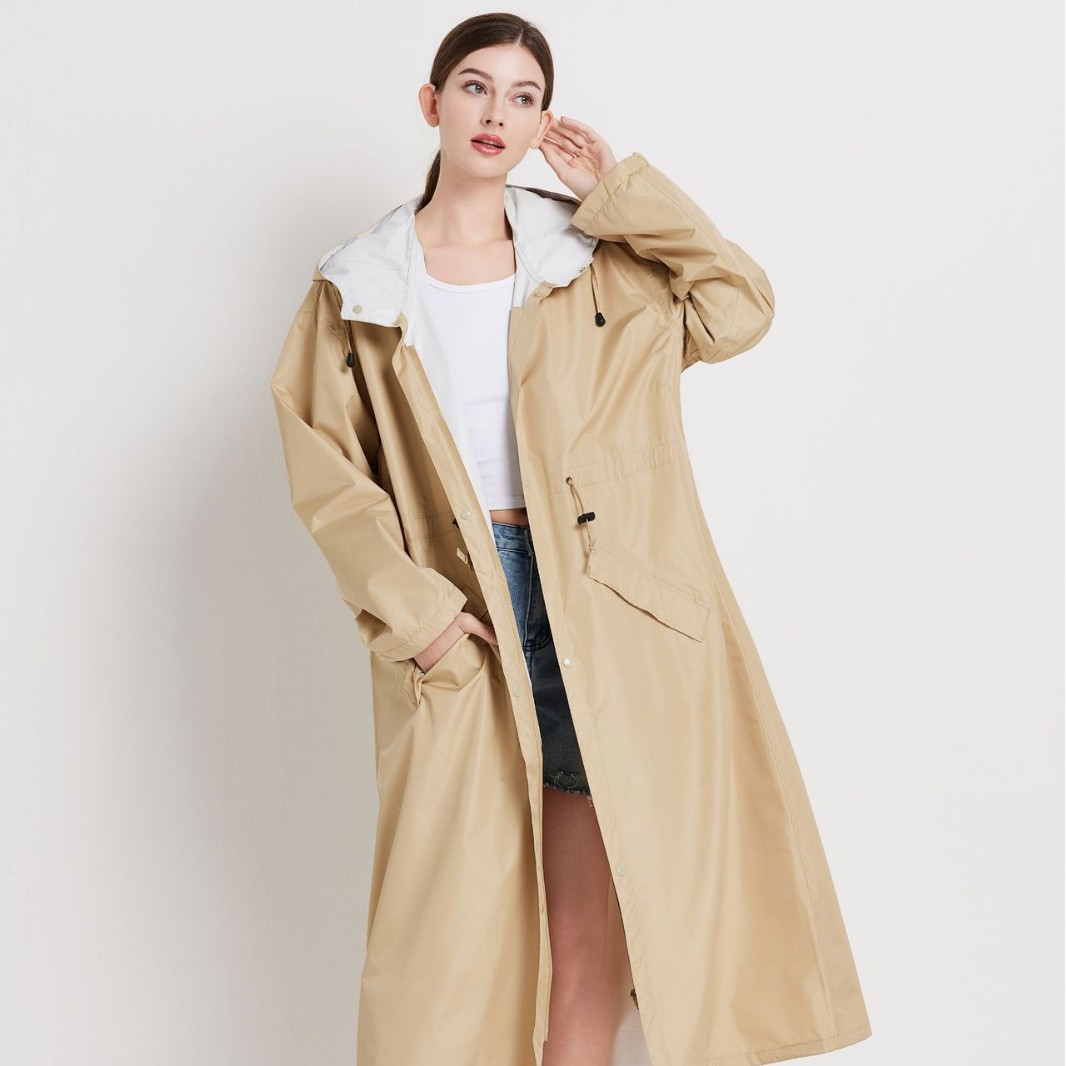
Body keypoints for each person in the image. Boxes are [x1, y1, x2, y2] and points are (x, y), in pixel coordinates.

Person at [270, 12, 871, 1066]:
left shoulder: (590, 259)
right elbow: (328, 473)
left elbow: (738, 306)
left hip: (603, 597)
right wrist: (420, 616)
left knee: (587, 923)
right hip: (467, 610)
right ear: (432, 103)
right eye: (474, 86)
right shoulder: (359, 285)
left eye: (523, 96)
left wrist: (618, 191)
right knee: (454, 932)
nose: (496, 113)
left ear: (544, 118)